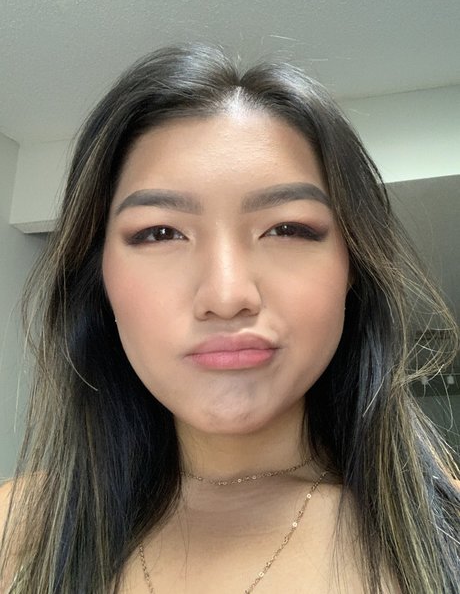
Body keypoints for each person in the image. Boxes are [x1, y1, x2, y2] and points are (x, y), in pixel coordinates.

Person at [0, 43, 459, 594]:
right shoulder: (16, 530)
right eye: (160, 233)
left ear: (353, 266)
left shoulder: (444, 533)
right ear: (99, 278)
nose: (226, 295)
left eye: (287, 229)